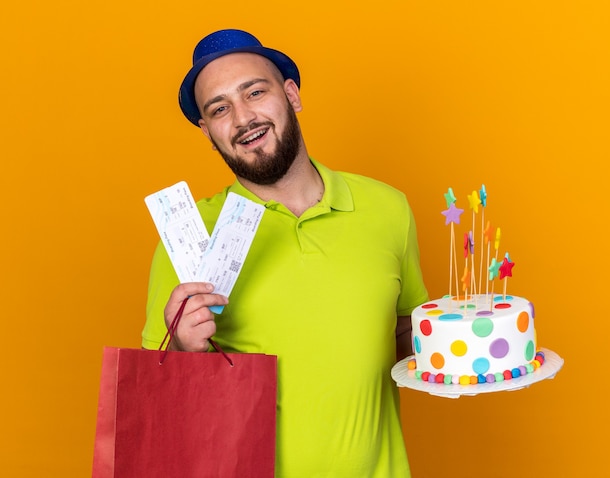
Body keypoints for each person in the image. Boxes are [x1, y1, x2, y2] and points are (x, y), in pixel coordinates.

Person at [142, 29, 429, 477]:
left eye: (255, 91)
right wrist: (182, 348)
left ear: (291, 94)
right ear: (207, 130)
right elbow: (161, 396)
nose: (243, 117)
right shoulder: (189, 238)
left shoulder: (387, 208)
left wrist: (476, 344)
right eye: (219, 109)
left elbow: (407, 330)